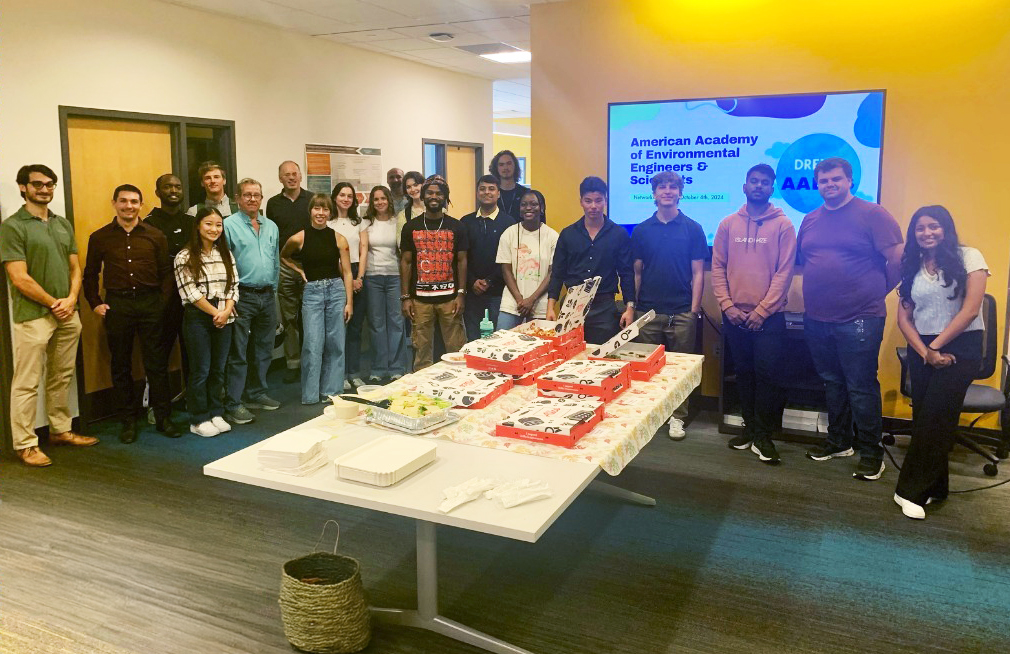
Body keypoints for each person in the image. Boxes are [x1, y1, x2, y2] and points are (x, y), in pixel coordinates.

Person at [798, 156, 903, 480]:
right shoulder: (810, 219)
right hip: (817, 317)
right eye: (824, 180)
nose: (830, 185)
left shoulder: (873, 214)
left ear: (850, 181)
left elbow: (899, 259)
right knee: (832, 383)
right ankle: (838, 441)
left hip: (859, 318)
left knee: (859, 387)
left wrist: (877, 291)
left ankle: (871, 454)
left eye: (836, 179)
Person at [893, 206, 988, 519]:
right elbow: (904, 317)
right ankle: (937, 486)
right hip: (923, 348)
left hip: (961, 346)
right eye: (920, 228)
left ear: (946, 228)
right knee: (926, 418)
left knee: (935, 418)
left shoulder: (969, 256)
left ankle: (907, 491)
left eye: (933, 226)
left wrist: (935, 347)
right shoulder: (912, 265)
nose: (927, 233)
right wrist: (924, 351)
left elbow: (971, 310)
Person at [1, 164, 97, 466]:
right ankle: (26, 443)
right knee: (27, 381)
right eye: (38, 184)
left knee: (62, 375)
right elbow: (19, 277)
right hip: (33, 315)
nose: (45, 189)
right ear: (23, 188)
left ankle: (60, 430)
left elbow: (74, 267)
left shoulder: (62, 224)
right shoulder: (13, 226)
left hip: (67, 312)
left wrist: (70, 299)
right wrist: (54, 303)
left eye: (50, 184)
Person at [711, 164, 796, 465]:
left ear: (772, 188)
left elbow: (785, 272)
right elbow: (718, 267)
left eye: (764, 182)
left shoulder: (784, 225)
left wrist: (762, 310)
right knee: (744, 375)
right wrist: (726, 305)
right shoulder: (727, 224)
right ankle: (750, 429)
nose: (758, 186)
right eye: (753, 181)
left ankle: (764, 436)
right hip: (734, 316)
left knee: (768, 377)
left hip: (769, 318)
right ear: (744, 185)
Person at [83, 184, 180, 443]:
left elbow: (166, 273)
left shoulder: (155, 235)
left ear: (141, 204)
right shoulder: (100, 237)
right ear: (114, 203)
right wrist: (95, 302)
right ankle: (127, 421)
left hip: (150, 305)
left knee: (156, 365)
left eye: (134, 201)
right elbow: (90, 274)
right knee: (121, 365)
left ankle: (163, 418)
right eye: (123, 201)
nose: (129, 206)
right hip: (118, 306)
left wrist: (161, 303)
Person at [281, 194, 354, 404]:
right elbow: (284, 256)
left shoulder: (339, 238)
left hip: (336, 291)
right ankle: (311, 395)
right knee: (312, 344)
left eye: (325, 210)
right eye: (317, 209)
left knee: (336, 344)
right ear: (311, 211)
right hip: (312, 293)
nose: (320, 213)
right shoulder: (299, 238)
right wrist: (299, 271)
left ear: (330, 213)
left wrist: (349, 302)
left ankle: (332, 391)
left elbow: (347, 273)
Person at [173, 208, 239, 437]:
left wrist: (227, 310)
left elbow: (233, 285)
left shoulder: (225, 253)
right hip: (199, 316)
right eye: (209, 224)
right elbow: (190, 292)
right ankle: (198, 419)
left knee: (219, 369)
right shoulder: (185, 256)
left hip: (225, 313)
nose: (214, 229)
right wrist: (215, 313)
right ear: (198, 226)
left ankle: (215, 412)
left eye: (218, 225)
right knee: (200, 369)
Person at [547, 176, 634, 346]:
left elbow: (626, 274)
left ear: (605, 201)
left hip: (604, 308)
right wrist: (551, 307)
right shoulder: (568, 234)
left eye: (598, 200)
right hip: (572, 306)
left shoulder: (618, 234)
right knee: (569, 355)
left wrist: (629, 307)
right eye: (588, 201)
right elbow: (557, 273)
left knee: (602, 358)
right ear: (581, 202)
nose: (593, 206)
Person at [222, 178, 281, 424]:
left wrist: (274, 293)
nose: (252, 199)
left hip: (267, 295)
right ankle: (234, 402)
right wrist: (229, 298)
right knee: (238, 351)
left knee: (263, 348)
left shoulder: (271, 227)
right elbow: (224, 263)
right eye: (247, 195)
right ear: (237, 198)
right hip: (241, 295)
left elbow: (275, 261)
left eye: (257, 195)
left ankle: (256, 393)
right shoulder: (228, 225)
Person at [400, 174, 468, 370]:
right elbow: (405, 262)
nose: (434, 196)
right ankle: (423, 392)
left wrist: (461, 294)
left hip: (450, 299)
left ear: (445, 197)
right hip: (420, 300)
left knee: (457, 351)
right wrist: (405, 297)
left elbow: (462, 261)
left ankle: (459, 387)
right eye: (429, 192)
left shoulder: (457, 226)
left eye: (439, 193)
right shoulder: (410, 227)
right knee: (421, 352)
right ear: (422, 196)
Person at [145, 174, 194, 395]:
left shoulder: (192, 223)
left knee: (194, 353)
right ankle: (159, 405)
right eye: (167, 187)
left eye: (177, 186)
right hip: (162, 300)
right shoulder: (148, 224)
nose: (173, 190)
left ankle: (194, 399)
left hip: (192, 299)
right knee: (159, 355)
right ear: (158, 193)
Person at [266, 160, 313, 384]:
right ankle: (293, 363)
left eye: (295, 173)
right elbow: (272, 237)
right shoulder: (273, 204)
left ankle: (312, 362)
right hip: (285, 266)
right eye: (287, 175)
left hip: (310, 267)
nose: (291, 177)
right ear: (280, 178)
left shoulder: (312, 199)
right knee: (290, 318)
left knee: (311, 317)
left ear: (301, 175)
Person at [461, 175, 515, 340]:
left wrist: (489, 281)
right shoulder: (465, 222)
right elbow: (462, 258)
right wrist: (472, 281)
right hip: (472, 294)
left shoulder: (509, 223)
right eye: (482, 189)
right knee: (473, 340)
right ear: (477, 193)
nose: (487, 192)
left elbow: (511, 260)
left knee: (498, 341)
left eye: (491, 189)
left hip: (499, 293)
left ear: (498, 193)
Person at [496, 189, 559, 329]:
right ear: (519, 209)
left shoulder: (552, 236)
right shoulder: (509, 233)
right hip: (512, 303)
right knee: (501, 342)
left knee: (541, 347)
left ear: (542, 208)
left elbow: (552, 272)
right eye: (524, 204)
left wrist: (531, 300)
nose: (528, 208)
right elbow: (506, 270)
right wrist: (520, 300)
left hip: (541, 303)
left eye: (533, 204)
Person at [363, 185, 407, 383]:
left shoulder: (397, 221)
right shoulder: (366, 223)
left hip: (394, 277)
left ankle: (397, 366)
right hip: (373, 277)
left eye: (383, 198)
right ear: (371, 203)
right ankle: (379, 367)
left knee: (396, 322)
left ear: (389, 200)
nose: (380, 202)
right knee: (377, 324)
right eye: (375, 199)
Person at [329, 182, 369, 389]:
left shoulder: (359, 222)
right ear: (334, 197)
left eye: (350, 196)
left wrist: (359, 277)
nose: (346, 199)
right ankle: (340, 374)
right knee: (339, 328)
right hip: (335, 273)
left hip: (357, 273)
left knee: (355, 328)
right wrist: (347, 279)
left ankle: (354, 372)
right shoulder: (328, 222)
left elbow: (364, 250)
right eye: (342, 195)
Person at [489, 150, 529, 219]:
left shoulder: (526, 193)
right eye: (501, 164)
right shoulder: (491, 194)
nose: (505, 168)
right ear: (496, 168)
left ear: (515, 166)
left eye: (509, 163)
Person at [395, 170, 426, 249]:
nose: (412, 189)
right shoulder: (403, 215)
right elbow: (401, 244)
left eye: (415, 185)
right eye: (408, 187)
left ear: (423, 185)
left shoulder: (439, 211)